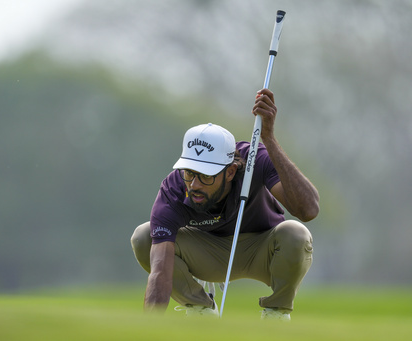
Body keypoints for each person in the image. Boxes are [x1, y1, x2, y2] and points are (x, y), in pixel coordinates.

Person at [130, 88, 319, 320]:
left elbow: (308, 210)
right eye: (189, 173)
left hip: (263, 250)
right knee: (144, 237)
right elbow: (160, 272)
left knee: (296, 233)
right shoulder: (174, 190)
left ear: (230, 171)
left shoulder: (255, 160)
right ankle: (200, 309)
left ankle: (276, 314)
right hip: (208, 254)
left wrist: (269, 140)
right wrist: (149, 329)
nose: (194, 185)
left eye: (206, 176)